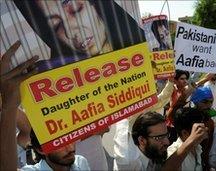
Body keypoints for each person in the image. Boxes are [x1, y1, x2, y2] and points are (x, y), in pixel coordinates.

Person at [0, 41, 89, 171]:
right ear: (40, 149)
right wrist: (9, 106)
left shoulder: (81, 163)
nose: (70, 148)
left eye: (69, 139)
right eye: (59, 143)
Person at [14, 0, 145, 71]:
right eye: (56, 25)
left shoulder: (142, 52)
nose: (70, 33)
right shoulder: (55, 75)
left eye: (76, 9)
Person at [129, 111, 207, 171]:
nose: (167, 142)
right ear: (142, 141)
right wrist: (191, 140)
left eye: (166, 135)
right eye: (159, 137)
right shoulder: (129, 164)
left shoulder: (156, 155)